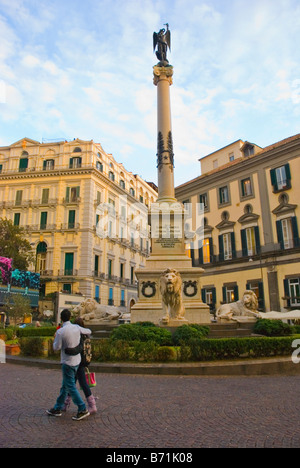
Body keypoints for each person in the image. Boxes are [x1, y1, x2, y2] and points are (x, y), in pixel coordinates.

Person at [46, 309, 91, 421]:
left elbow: (56, 347)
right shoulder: (76, 328)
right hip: (77, 360)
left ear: (61, 318)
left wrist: (56, 337)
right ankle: (57, 407)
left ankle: (82, 408)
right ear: (70, 317)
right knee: (65, 386)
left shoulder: (61, 331)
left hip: (67, 362)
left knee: (70, 386)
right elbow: (88, 331)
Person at [63, 317, 97, 415]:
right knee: (72, 383)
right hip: (83, 362)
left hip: (78, 362)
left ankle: (92, 405)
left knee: (77, 383)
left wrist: (68, 350)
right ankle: (65, 403)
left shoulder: (79, 336)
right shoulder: (86, 335)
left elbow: (78, 349)